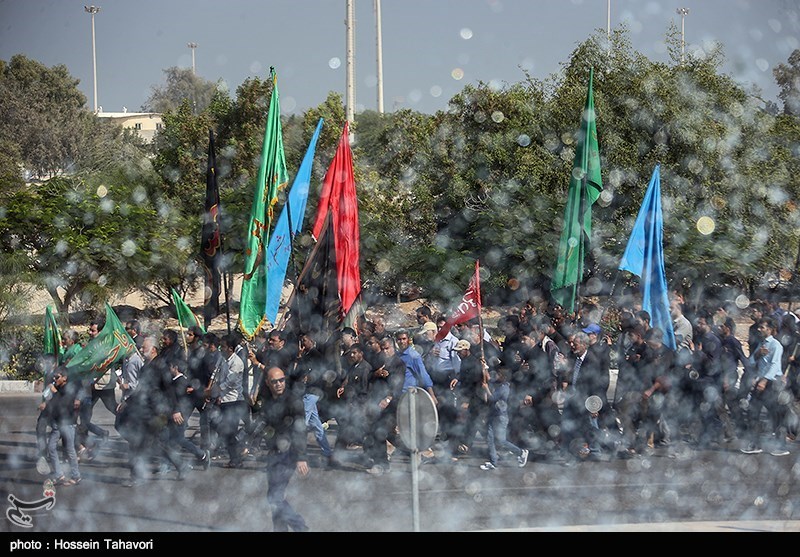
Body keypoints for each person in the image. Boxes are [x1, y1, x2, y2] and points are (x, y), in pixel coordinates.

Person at [260, 366, 309, 532]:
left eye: (281, 380)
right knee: (274, 497)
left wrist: (301, 457)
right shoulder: (268, 400)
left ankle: (300, 526)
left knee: (274, 497)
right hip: (273, 454)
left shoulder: (293, 401)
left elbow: (301, 430)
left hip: (289, 454)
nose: (279, 384)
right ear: (268, 383)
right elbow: (266, 426)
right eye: (274, 381)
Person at [740, 317, 790, 456]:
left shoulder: (776, 345)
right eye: (759, 327)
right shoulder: (761, 344)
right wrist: (757, 355)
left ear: (770, 329)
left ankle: (781, 446)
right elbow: (750, 361)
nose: (759, 329)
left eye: (762, 327)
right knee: (752, 412)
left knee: (775, 414)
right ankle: (755, 444)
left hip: (770, 384)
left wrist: (764, 381)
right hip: (759, 382)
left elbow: (775, 365)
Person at [479, 366, 529, 470]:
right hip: (493, 415)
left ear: (503, 377)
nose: (496, 376)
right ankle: (493, 462)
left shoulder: (504, 388)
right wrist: (484, 367)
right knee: (490, 438)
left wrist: (486, 388)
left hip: (500, 417)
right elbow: (488, 378)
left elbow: (492, 398)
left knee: (501, 440)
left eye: (499, 375)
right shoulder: (500, 384)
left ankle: (521, 452)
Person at [47, 367, 82, 486]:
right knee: (51, 447)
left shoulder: (69, 389)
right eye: (54, 377)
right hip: (57, 423)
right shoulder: (57, 388)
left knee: (70, 450)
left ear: (64, 378)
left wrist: (55, 393)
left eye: (57, 377)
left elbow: (63, 404)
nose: (54, 379)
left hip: (68, 423)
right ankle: (59, 474)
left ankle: (76, 476)